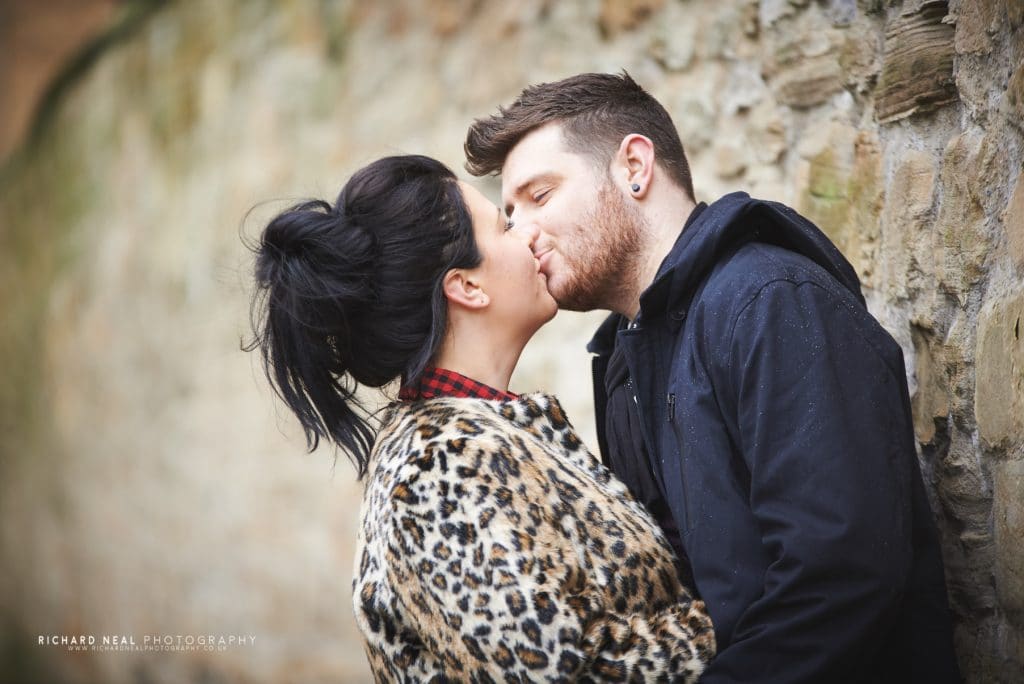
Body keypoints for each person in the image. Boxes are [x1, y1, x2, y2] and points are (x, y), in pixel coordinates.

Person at [464, 72, 961, 683]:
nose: (522, 234)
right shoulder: (624, 360)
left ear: (635, 167)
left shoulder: (772, 303)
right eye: (509, 215)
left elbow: (842, 578)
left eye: (539, 196)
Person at [244, 155, 715, 681]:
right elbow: (558, 675)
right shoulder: (434, 470)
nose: (529, 234)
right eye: (504, 225)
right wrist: (741, 618)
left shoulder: (481, 438)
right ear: (467, 287)